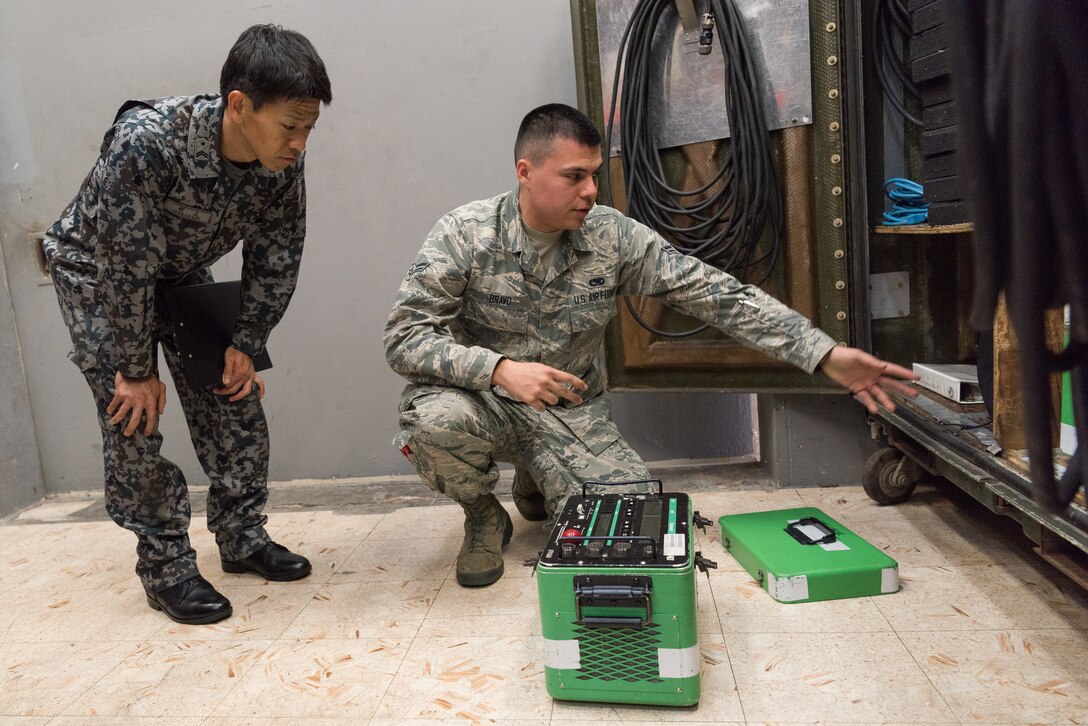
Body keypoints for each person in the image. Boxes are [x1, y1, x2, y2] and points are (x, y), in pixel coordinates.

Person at [384, 103, 918, 588]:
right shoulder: (464, 233)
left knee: (629, 523)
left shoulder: (612, 237)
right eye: (575, 177)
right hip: (484, 402)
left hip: (570, 411)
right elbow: (404, 337)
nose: (591, 190)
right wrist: (500, 369)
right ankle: (482, 513)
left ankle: (538, 474)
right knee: (433, 425)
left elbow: (715, 293)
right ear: (525, 172)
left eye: (593, 175)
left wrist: (821, 352)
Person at [42, 24, 332, 624]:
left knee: (234, 393)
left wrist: (248, 343)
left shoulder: (282, 163)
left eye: (309, 128)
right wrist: (135, 368)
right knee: (134, 414)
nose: (300, 143)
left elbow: (278, 256)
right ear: (239, 104)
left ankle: (243, 537)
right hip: (98, 272)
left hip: (177, 268)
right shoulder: (147, 142)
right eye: (290, 126)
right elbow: (125, 264)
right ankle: (166, 566)